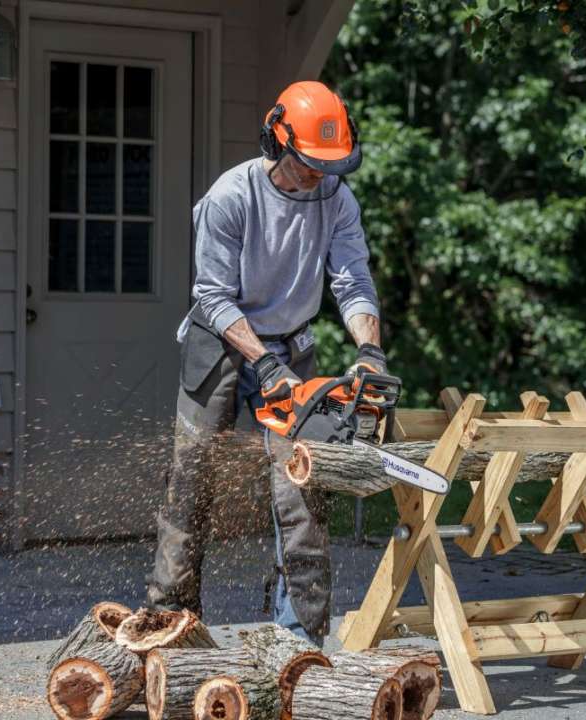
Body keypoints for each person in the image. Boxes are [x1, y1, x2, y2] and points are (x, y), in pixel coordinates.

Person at [146, 81, 386, 646]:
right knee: (191, 478)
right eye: (309, 164)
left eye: (329, 165)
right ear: (277, 141)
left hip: (294, 343)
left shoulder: (337, 197)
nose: (319, 176)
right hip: (222, 343)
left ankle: (299, 636)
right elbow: (212, 295)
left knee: (303, 485)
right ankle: (171, 624)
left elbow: (351, 280)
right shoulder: (231, 197)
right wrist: (263, 362)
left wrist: (369, 350)